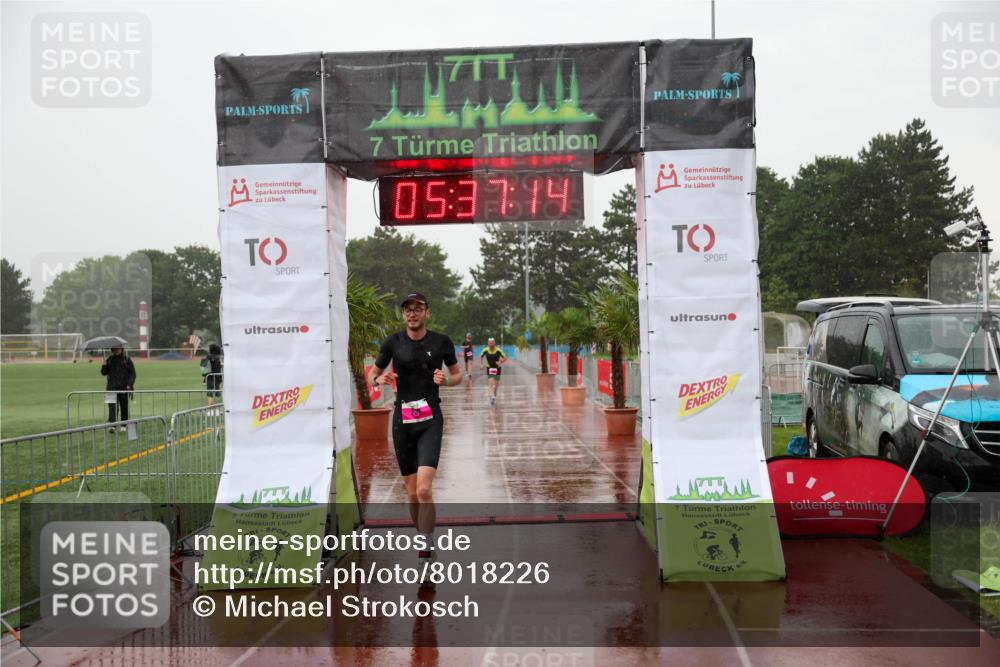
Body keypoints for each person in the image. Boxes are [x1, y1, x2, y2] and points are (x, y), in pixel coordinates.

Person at [367, 292, 462, 586]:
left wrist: (446, 380)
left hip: (430, 420)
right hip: (403, 423)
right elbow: (373, 372)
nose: (412, 314)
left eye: (418, 308)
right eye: (408, 309)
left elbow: (458, 375)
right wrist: (377, 379)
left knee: (423, 491)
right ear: (403, 315)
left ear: (427, 312)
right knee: (410, 494)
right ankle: (424, 539)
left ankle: (426, 550)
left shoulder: (441, 342)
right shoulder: (393, 343)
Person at [101, 346, 136, 432]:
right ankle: (112, 425)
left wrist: (129, 384)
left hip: (124, 387)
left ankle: (124, 425)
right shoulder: (109, 360)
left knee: (124, 406)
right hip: (111, 387)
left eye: (118, 348)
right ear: (112, 350)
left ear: (122, 349)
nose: (117, 350)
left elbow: (133, 374)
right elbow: (103, 373)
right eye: (115, 349)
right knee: (112, 406)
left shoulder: (127, 360)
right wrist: (104, 366)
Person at [479, 337, 507, 406]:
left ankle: (494, 395)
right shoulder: (485, 350)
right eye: (490, 343)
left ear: (494, 343)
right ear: (488, 343)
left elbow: (505, 357)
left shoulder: (498, 350)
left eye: (492, 343)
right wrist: (481, 364)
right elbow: (481, 356)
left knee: (496, 385)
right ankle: (492, 397)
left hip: (497, 368)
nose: (491, 344)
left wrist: (500, 361)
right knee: (490, 382)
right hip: (490, 367)